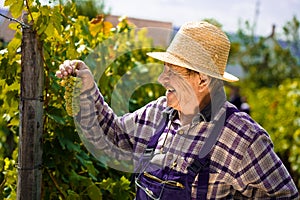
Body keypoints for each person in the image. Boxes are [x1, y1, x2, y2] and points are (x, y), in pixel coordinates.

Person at [56, 21, 299, 199]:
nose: (162, 79)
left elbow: (284, 195)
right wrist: (89, 88)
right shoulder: (157, 113)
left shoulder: (243, 139)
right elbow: (117, 136)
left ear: (202, 80)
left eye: (172, 72)